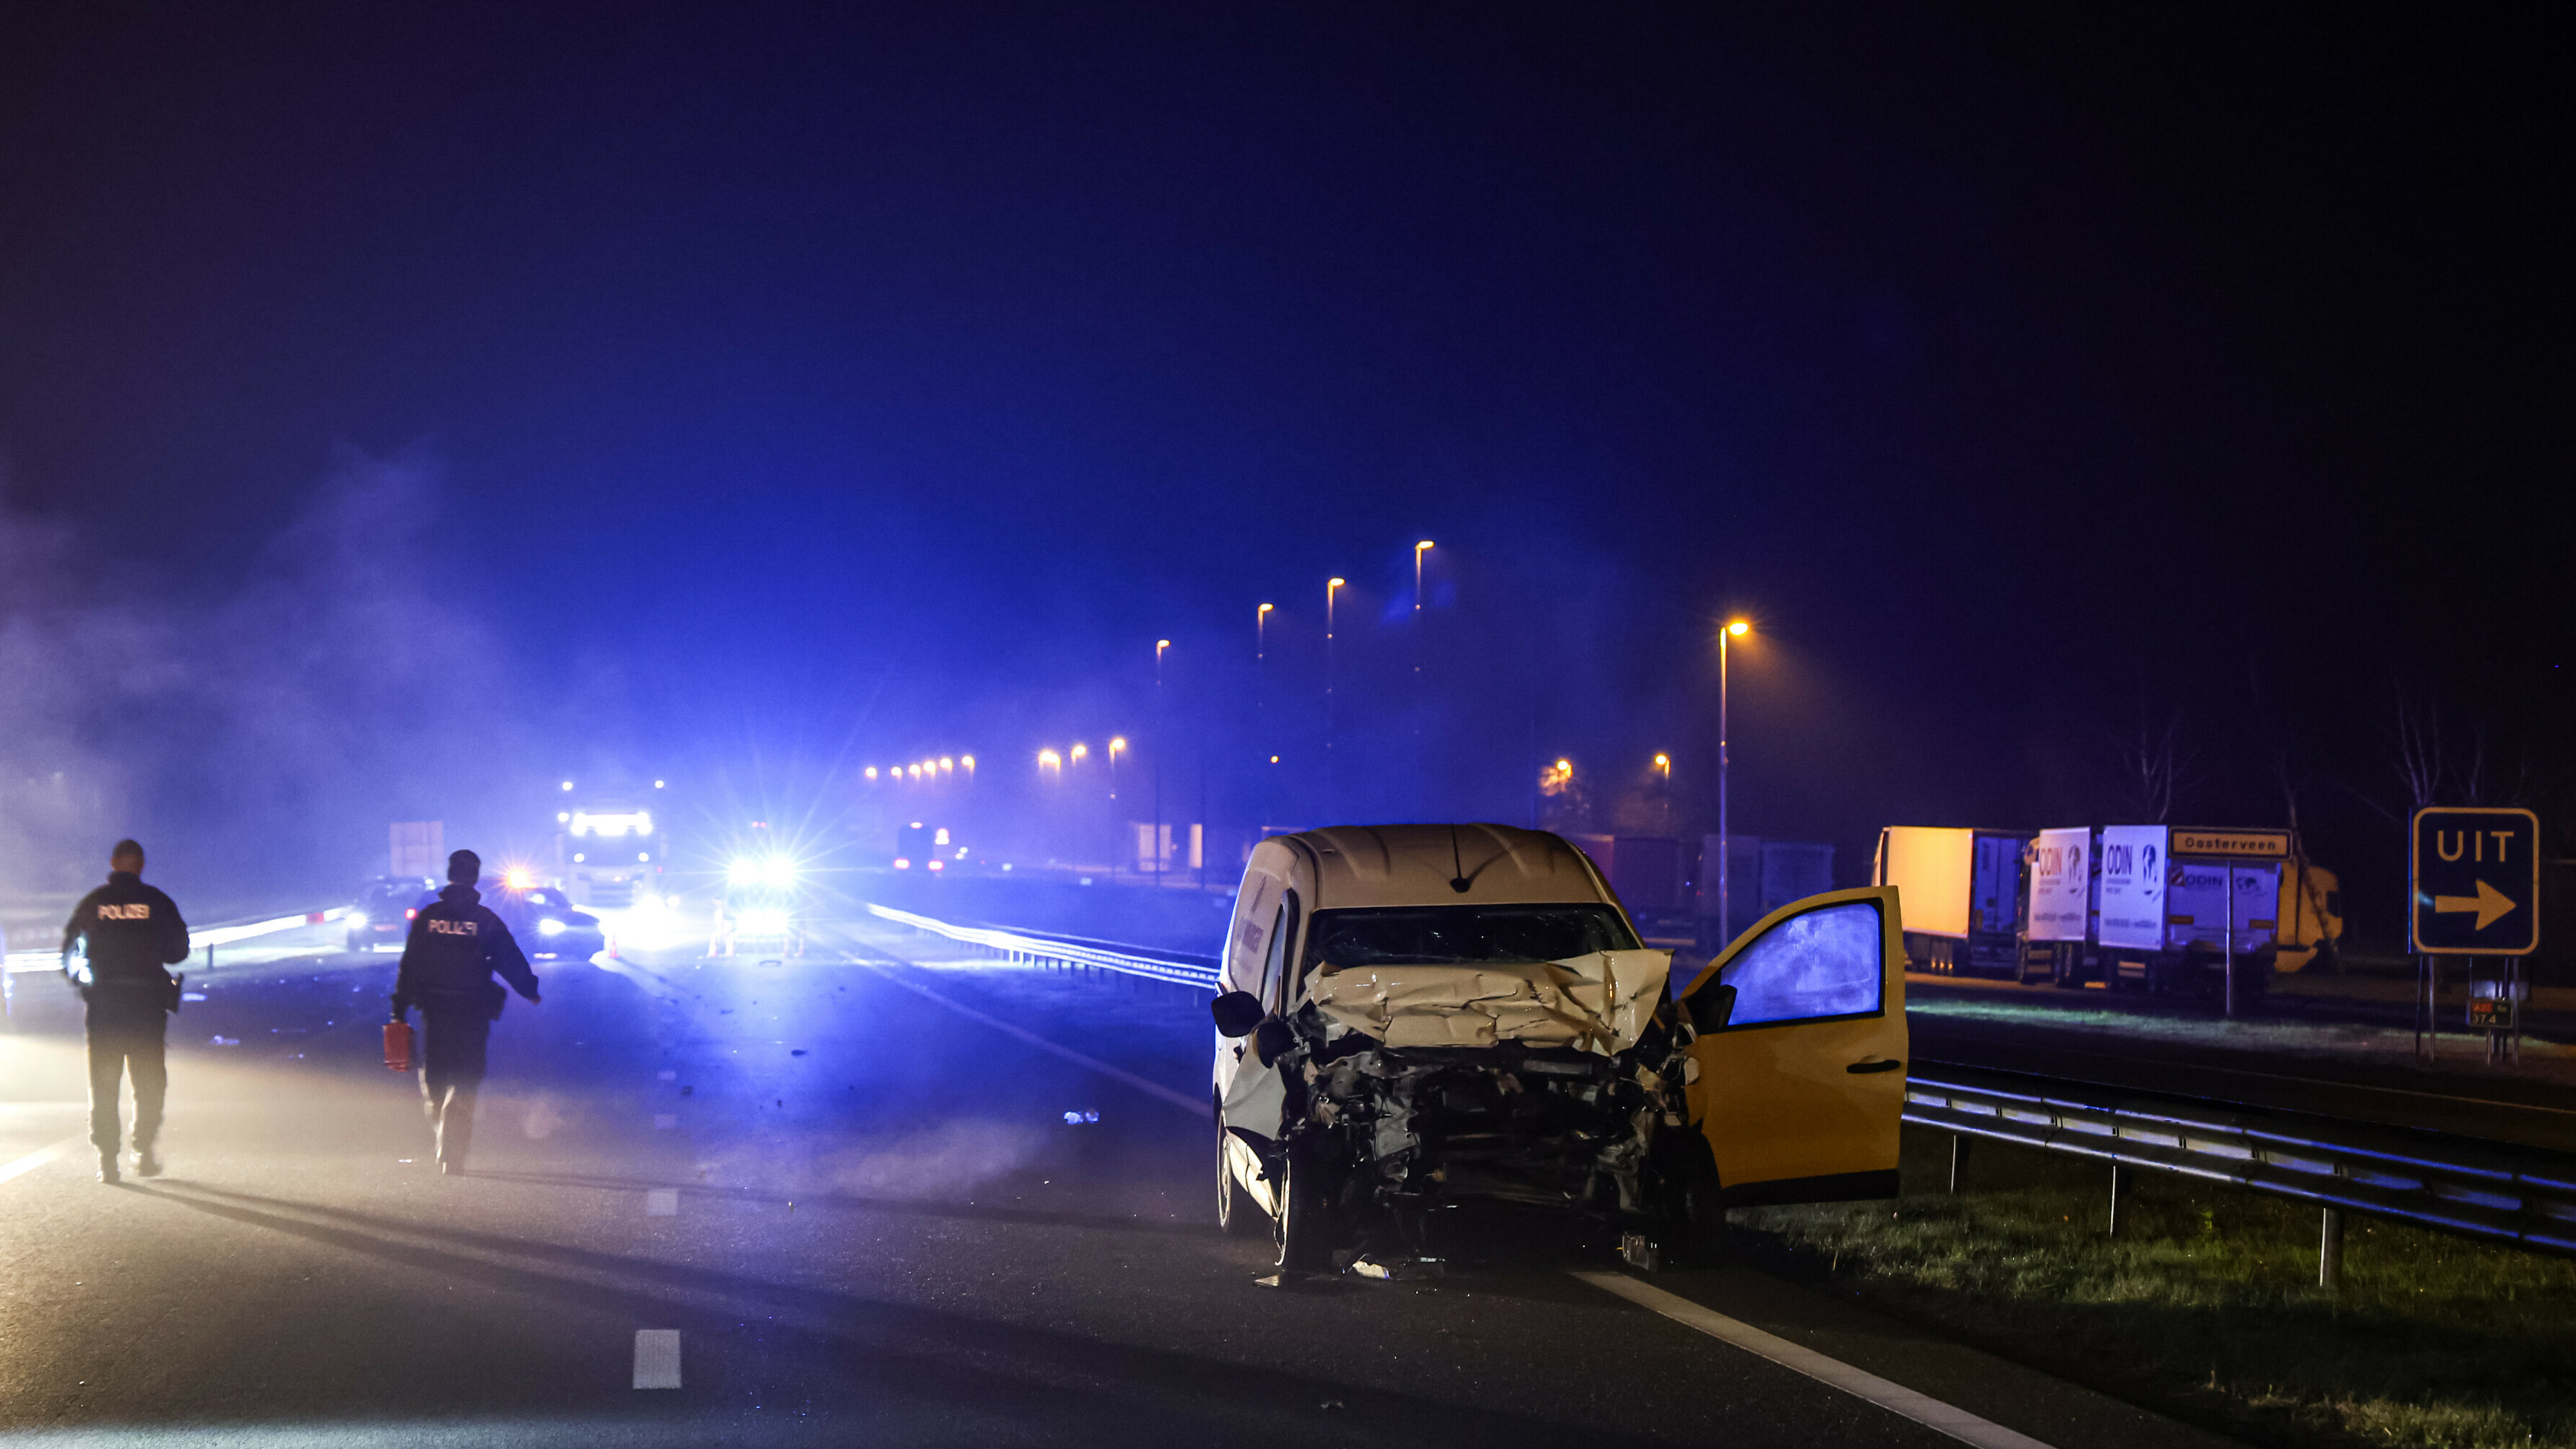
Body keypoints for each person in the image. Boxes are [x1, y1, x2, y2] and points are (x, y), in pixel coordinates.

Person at [391, 849, 541, 1175]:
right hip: (473, 1013)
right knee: (467, 1078)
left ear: (450, 875)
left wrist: (399, 1009)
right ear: (474, 878)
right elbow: (509, 958)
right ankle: (454, 1149)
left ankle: (446, 1133)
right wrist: (529, 990)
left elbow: (410, 964)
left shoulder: (428, 918)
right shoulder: (485, 920)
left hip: (435, 1011)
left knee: (434, 1080)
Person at [61, 840, 191, 1184]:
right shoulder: (157, 902)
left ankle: (107, 1161)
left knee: (104, 1085)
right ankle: (143, 1151)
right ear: (141, 865)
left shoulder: (94, 903)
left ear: (114, 863)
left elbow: (68, 952)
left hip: (104, 1008)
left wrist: (82, 985)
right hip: (147, 1009)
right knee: (149, 1084)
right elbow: (179, 951)